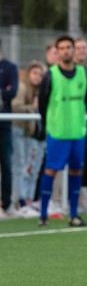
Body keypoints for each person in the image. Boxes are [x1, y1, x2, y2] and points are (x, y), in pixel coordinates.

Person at [38, 35, 87, 227]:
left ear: (74, 50)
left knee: (77, 171)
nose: (65, 51)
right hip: (57, 132)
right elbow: (42, 104)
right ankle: (43, 215)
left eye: (68, 47)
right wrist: (47, 126)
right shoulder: (50, 75)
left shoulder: (83, 74)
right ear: (57, 51)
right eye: (61, 48)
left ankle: (74, 214)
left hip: (78, 132)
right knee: (51, 170)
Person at [11, 61, 45, 216]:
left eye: (40, 74)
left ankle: (29, 200)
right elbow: (15, 106)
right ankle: (20, 201)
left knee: (33, 168)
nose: (38, 77)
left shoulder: (39, 91)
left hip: (32, 134)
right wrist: (31, 107)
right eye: (35, 73)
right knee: (22, 167)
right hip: (19, 130)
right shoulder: (22, 87)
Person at [0, 40, 19, 217]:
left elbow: (11, 92)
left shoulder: (9, 67)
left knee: (6, 162)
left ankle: (6, 204)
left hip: (4, 124)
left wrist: (4, 93)